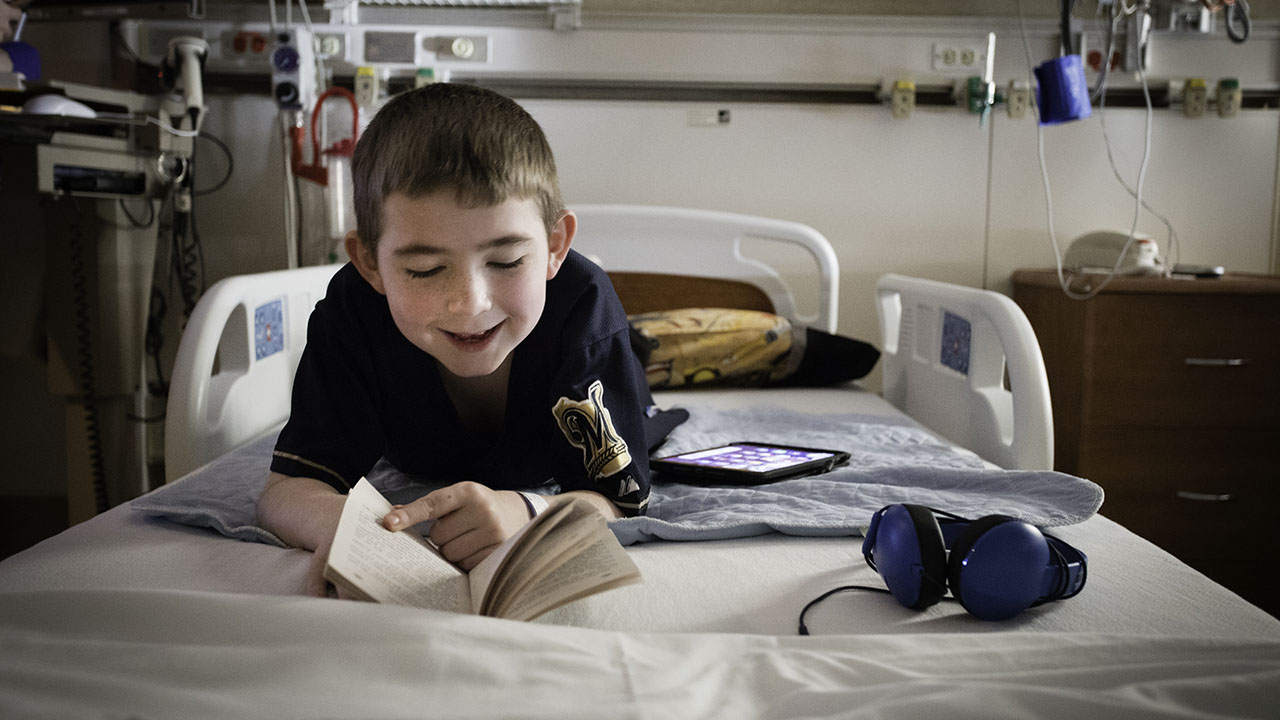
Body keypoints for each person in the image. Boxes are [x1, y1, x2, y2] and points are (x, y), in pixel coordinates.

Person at [256, 83, 684, 597]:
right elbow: (286, 489)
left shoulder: (583, 307)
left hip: (613, 367)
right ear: (370, 263)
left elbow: (615, 498)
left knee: (643, 365)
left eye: (505, 262)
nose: (471, 303)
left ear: (554, 247)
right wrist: (344, 531)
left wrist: (525, 511)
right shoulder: (352, 313)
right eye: (424, 269)